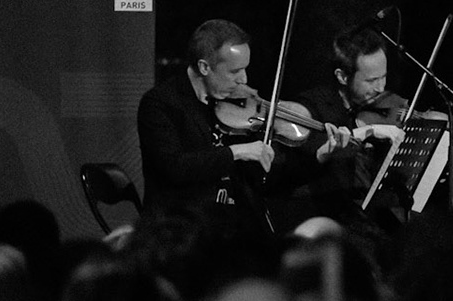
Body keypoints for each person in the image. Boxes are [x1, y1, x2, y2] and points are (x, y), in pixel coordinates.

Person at [136, 19, 350, 218]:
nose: (244, 79)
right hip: (179, 226)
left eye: (245, 69)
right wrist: (236, 152)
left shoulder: (241, 110)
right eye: (235, 71)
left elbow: (266, 180)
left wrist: (320, 156)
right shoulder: (161, 103)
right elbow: (174, 168)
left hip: (233, 227)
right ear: (204, 67)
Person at [286, 25, 407, 231]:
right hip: (334, 223)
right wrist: (364, 132)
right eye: (371, 80)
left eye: (383, 77)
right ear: (342, 76)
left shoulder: (382, 106)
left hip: (378, 219)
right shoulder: (313, 106)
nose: (380, 88)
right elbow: (305, 156)